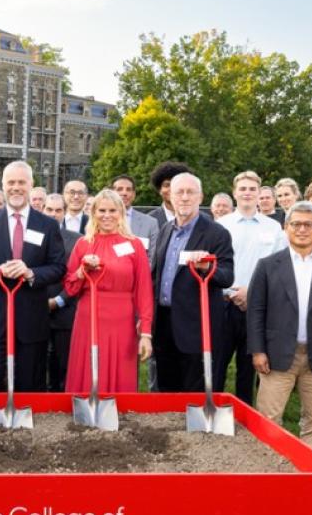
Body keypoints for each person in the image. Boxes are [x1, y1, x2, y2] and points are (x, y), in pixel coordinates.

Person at [247, 202, 312, 456]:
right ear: (286, 228)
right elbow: (255, 311)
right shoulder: (268, 265)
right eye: (296, 224)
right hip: (276, 355)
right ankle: (270, 473)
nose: (302, 229)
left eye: (309, 224)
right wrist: (257, 351)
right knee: (268, 418)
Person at [0, 160, 66, 392]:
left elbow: (58, 267)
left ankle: (26, 428)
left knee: (28, 385)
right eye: (11, 182)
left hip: (31, 318)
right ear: (3, 185)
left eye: (21, 182)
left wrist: (31, 272)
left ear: (31, 185)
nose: (16, 187)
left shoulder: (48, 225)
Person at [149, 174, 234, 392]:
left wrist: (207, 268)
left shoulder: (217, 233)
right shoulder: (165, 231)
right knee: (166, 388)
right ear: (171, 196)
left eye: (190, 192)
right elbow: (156, 276)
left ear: (200, 197)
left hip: (196, 326)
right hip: (164, 324)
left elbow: (226, 276)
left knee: (194, 390)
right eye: (179, 192)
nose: (184, 198)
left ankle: (194, 426)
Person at [63, 190, 154, 393]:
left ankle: (119, 414)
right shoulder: (83, 244)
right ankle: (84, 411)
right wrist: (81, 271)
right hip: (89, 316)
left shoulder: (134, 245)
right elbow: (70, 286)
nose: (107, 215)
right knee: (88, 365)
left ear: (121, 212)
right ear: (93, 213)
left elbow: (144, 289)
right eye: (101, 210)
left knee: (120, 366)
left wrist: (146, 332)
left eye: (112, 210)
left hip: (122, 318)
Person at [215, 170, 286, 401]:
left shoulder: (273, 228)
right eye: (243, 189)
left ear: (260, 193)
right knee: (218, 363)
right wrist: (231, 292)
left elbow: (278, 268)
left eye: (252, 189)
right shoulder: (220, 226)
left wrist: (252, 293)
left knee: (249, 367)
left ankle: (244, 415)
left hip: (255, 307)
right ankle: (213, 408)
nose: (247, 193)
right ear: (235, 193)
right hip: (224, 304)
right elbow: (215, 265)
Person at [42, 194, 82, 391]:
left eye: (58, 210)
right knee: (39, 362)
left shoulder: (76, 241)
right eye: (49, 209)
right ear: (42, 209)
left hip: (65, 309)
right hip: (36, 310)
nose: (53, 214)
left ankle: (62, 400)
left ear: (65, 213)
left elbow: (78, 276)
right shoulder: (30, 236)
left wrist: (58, 300)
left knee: (63, 361)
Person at [111, 174, 159, 248]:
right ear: (111, 193)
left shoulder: (150, 223)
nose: (124, 193)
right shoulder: (100, 221)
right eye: (119, 189)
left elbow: (153, 256)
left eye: (128, 189)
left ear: (134, 194)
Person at [148, 162, 192, 229]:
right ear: (160, 190)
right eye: (167, 185)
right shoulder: (149, 220)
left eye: (177, 184)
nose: (172, 189)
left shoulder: (201, 220)